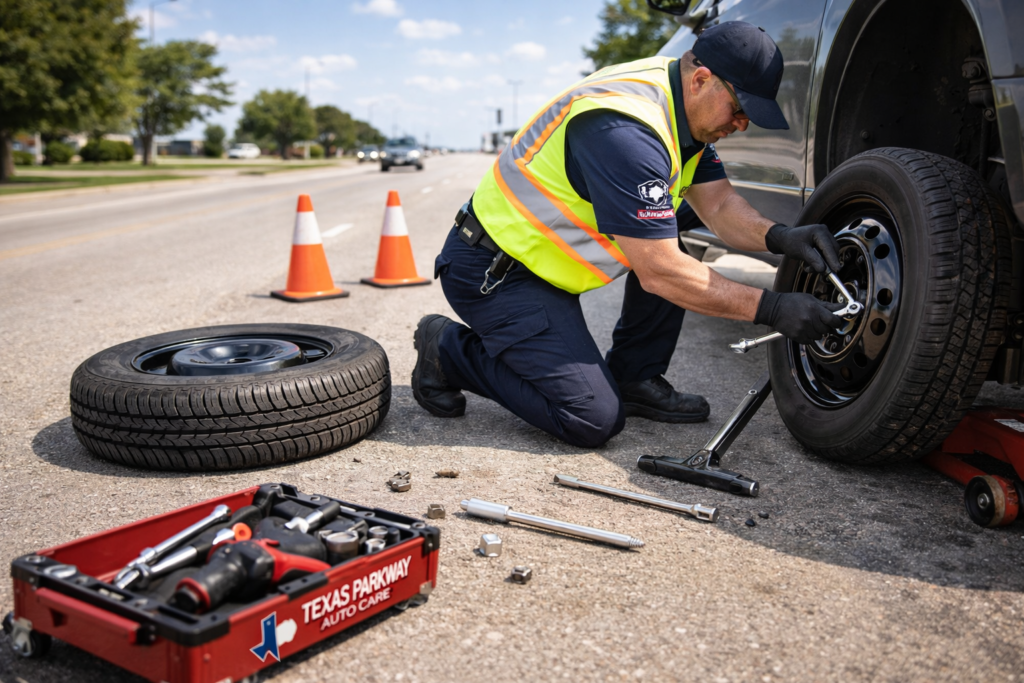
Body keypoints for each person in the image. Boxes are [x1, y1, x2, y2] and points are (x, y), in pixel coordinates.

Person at [412, 21, 844, 448]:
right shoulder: (626, 132)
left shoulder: (681, 112)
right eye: (740, 108)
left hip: (545, 264)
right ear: (701, 80)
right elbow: (659, 271)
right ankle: (448, 349)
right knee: (591, 418)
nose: (743, 124)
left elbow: (718, 205)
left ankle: (634, 375)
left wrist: (781, 236)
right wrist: (770, 307)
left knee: (677, 225)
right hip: (496, 272)